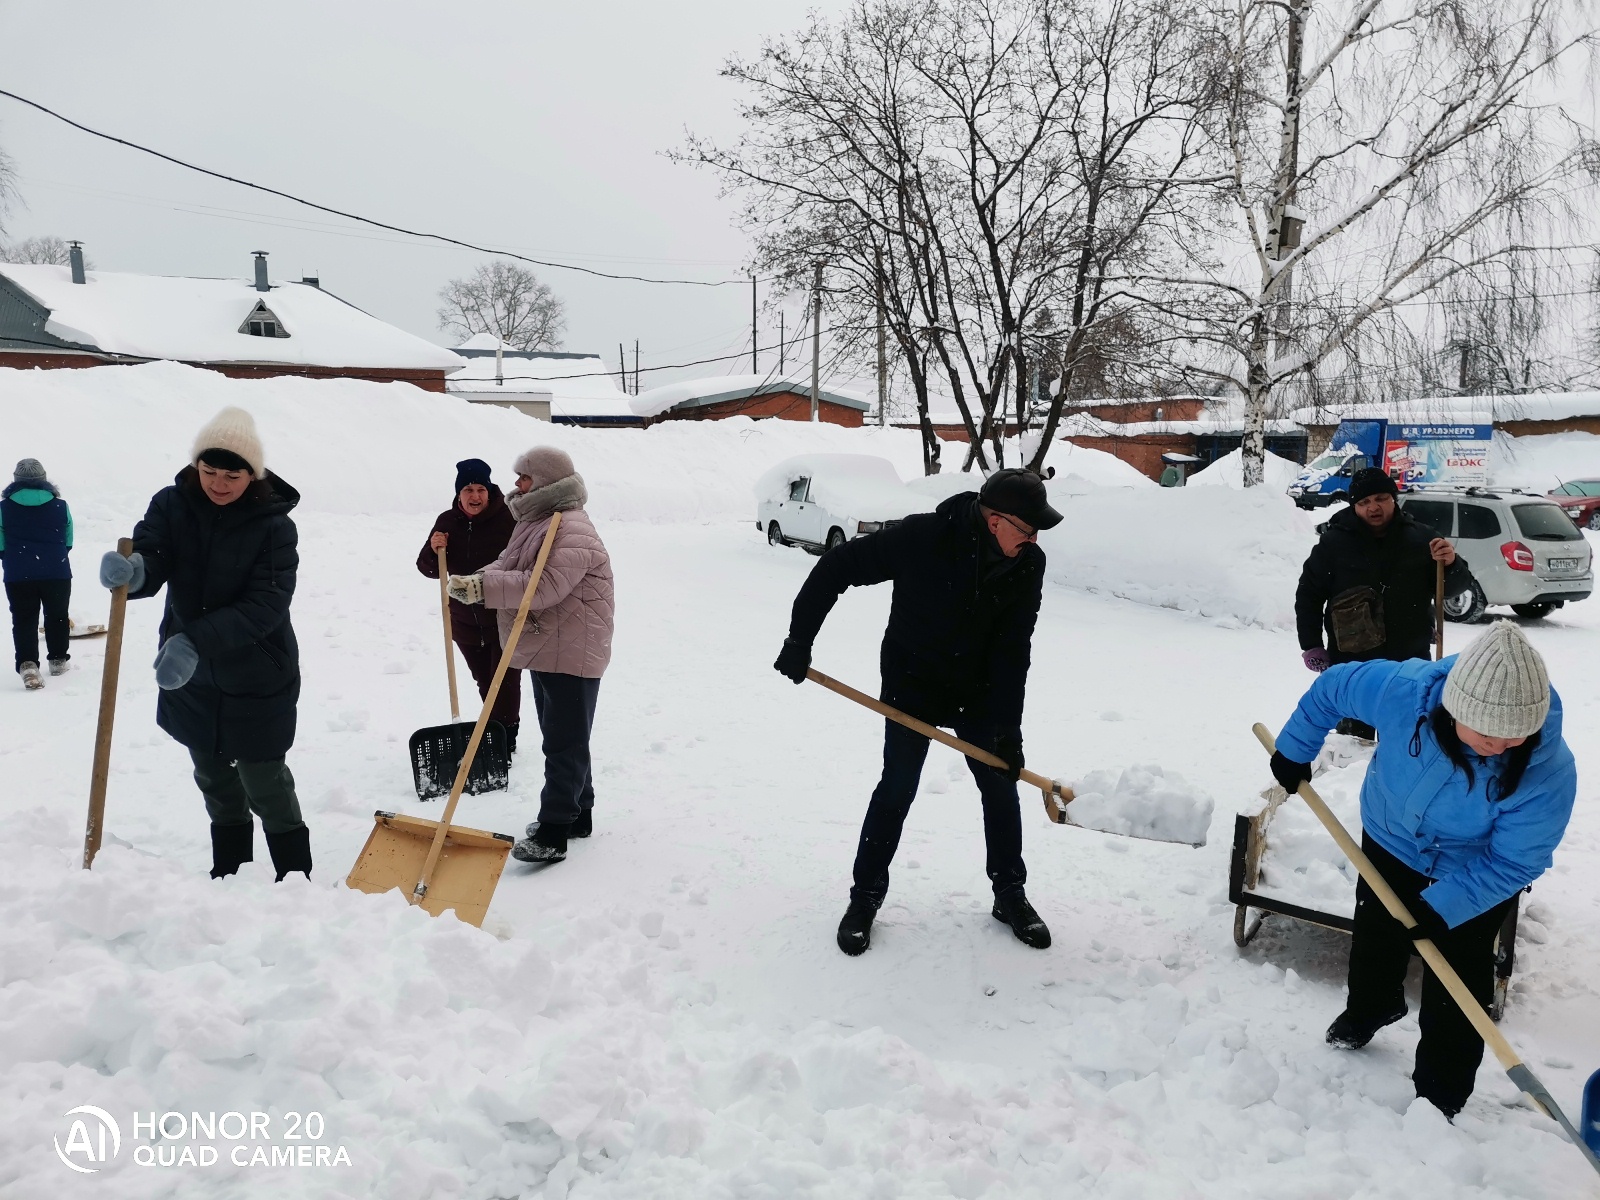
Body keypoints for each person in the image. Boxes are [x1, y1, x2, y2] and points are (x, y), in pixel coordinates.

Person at [1269, 621, 1575, 1118]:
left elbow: (1517, 860)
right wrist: (1294, 749)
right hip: (1391, 836)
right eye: (1489, 733)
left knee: (1459, 973)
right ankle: (1372, 1007)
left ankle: (1441, 1093)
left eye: (1515, 734)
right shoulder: (1403, 691)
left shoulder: (1547, 771)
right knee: (1376, 933)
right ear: (1456, 708)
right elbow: (1331, 688)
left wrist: (1448, 906)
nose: (1502, 745)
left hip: (1474, 869)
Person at [773, 468, 1062, 956]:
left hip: (979, 690)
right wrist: (800, 639)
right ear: (995, 521)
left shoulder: (1028, 564)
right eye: (1027, 529)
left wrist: (1008, 732)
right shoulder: (923, 536)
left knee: (1000, 783)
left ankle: (1009, 892)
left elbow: (1014, 650)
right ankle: (864, 897)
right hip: (914, 685)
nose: (1033, 540)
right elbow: (837, 567)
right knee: (897, 787)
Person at [98, 407, 312, 883]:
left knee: (264, 781)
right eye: (208, 471)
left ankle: (296, 880)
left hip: (257, 668)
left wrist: (194, 641)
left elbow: (266, 603)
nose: (218, 482)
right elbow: (154, 552)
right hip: (190, 672)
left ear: (252, 474)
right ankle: (230, 872)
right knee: (213, 776)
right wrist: (136, 574)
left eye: (231, 474)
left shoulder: (274, 526)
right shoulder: (172, 504)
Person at [447, 446, 613, 864]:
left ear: (544, 481)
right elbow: (509, 562)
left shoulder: (571, 527)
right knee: (566, 736)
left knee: (564, 741)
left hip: (572, 648)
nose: (517, 485)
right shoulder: (537, 520)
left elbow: (544, 586)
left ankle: (556, 829)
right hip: (550, 643)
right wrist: (476, 579)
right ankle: (578, 814)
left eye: (524, 478)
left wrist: (484, 591)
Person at [1295, 467, 1476, 738]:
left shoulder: (1422, 538)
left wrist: (1451, 564)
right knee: (1354, 742)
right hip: (1353, 662)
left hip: (1409, 659)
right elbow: (1309, 594)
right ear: (1354, 506)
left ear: (1394, 498)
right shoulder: (1334, 543)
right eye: (1363, 502)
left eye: (1381, 498)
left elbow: (1453, 589)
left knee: (1407, 736)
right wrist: (1311, 645)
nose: (1373, 507)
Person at [416, 458, 521, 751]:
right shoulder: (447, 522)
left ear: (489, 491)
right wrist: (434, 549)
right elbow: (428, 568)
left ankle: (505, 740)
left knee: (506, 683)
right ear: (458, 494)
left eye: (480, 490)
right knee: (485, 682)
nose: (475, 497)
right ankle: (494, 733)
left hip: (503, 616)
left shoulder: (509, 520)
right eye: (468, 490)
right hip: (463, 621)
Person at [2, 458, 73, 690]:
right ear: (43, 480)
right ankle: (58, 660)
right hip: (56, 571)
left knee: (23, 619)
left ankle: (28, 665)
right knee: (57, 615)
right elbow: (68, 539)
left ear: (16, 481)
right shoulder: (60, 506)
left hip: (18, 574)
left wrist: (15, 559)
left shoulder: (3, 509)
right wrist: (53, 556)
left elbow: (0, 545)